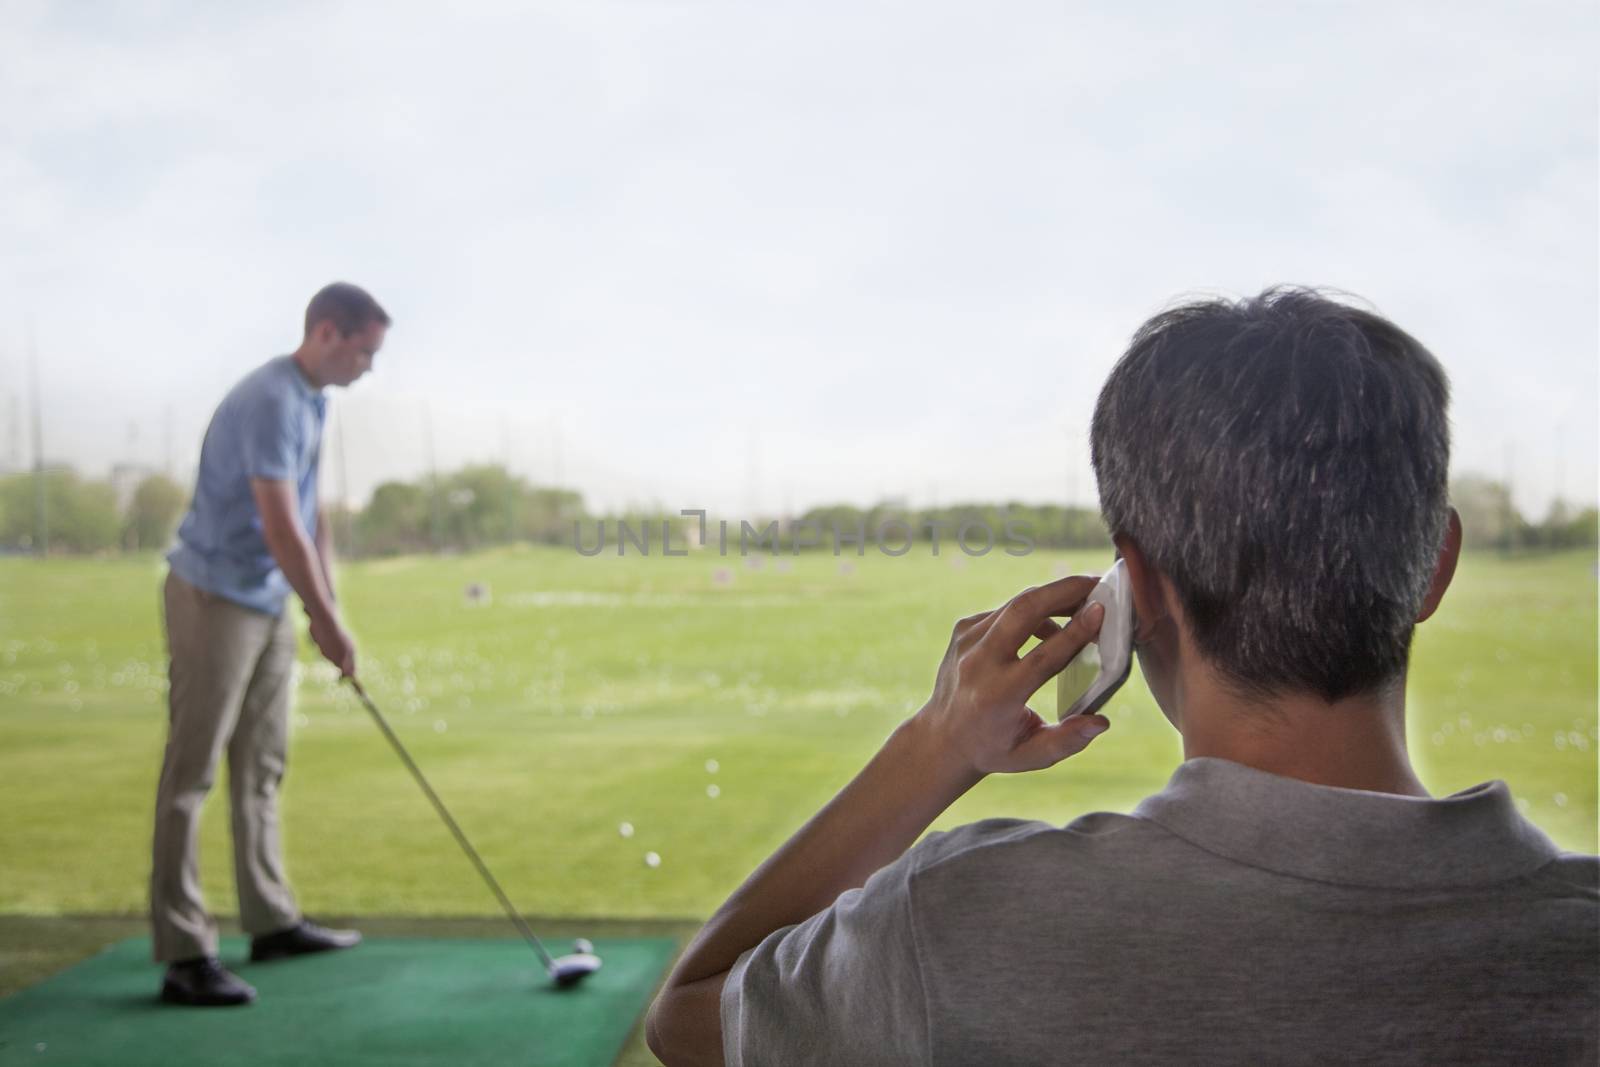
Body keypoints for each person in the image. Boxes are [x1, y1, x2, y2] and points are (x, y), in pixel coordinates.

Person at [646, 287, 1599, 1065]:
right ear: (1435, 564)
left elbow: (689, 1013)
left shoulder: (960, 923)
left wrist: (936, 744)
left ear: (1137, 584)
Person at [150, 282, 389, 1007]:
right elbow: (279, 523)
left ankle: (270, 918)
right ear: (326, 332)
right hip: (214, 597)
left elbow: (311, 517)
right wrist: (321, 615)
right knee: (191, 773)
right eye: (364, 352)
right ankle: (184, 950)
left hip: (265, 601)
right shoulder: (271, 399)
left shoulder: (313, 402)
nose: (368, 368)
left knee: (262, 764)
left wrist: (329, 611)